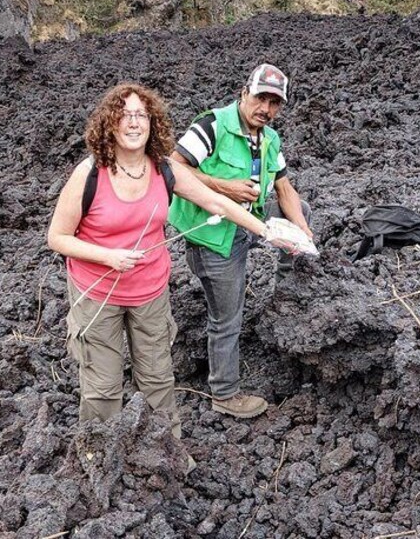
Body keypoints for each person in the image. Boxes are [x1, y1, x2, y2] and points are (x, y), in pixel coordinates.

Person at [47, 83, 288, 441]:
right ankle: (100, 458)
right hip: (98, 295)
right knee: (103, 387)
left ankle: (168, 453)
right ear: (109, 123)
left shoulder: (163, 169)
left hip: (150, 292)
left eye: (141, 115)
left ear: (152, 123)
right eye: (124, 115)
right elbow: (57, 238)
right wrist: (108, 256)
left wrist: (268, 231)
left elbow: (217, 203)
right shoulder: (89, 174)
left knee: (158, 380)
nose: (133, 123)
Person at [168, 64, 313, 419]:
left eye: (275, 102)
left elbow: (283, 186)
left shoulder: (269, 138)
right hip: (214, 234)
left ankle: (289, 291)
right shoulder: (213, 126)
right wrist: (223, 186)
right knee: (227, 316)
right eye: (261, 97)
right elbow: (171, 168)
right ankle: (224, 393)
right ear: (243, 92)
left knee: (302, 209)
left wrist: (302, 233)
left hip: (251, 220)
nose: (266, 108)